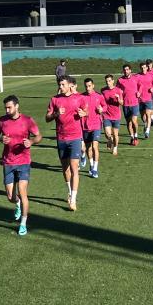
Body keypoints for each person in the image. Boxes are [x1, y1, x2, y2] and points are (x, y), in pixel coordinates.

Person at [0, 95, 41, 236]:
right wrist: (1, 138)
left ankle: (23, 224)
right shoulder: (2, 121)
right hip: (8, 162)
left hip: (24, 161)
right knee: (10, 197)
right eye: (5, 108)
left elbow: (39, 136)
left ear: (17, 106)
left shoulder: (27, 120)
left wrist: (31, 142)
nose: (7, 110)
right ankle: (17, 203)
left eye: (9, 107)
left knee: (22, 191)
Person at [46, 75, 87, 211]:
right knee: (65, 169)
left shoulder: (79, 98)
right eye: (59, 84)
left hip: (75, 137)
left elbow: (86, 111)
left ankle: (73, 200)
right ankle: (69, 191)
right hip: (61, 138)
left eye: (63, 84)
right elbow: (47, 118)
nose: (60, 87)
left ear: (70, 85)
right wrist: (56, 114)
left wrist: (84, 113)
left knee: (74, 167)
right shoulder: (54, 100)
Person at [79, 77, 104, 178]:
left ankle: (95, 169)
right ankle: (91, 164)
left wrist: (102, 109)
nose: (88, 88)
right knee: (88, 148)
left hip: (96, 125)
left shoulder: (99, 96)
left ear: (93, 85)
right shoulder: (81, 97)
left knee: (95, 147)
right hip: (85, 126)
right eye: (86, 86)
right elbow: (77, 109)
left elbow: (104, 106)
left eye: (89, 86)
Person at [116, 64, 142, 146]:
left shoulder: (135, 78)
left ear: (130, 70)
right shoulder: (120, 80)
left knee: (134, 121)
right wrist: (119, 97)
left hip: (135, 103)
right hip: (125, 104)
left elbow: (141, 85)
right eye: (124, 70)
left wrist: (139, 92)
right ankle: (131, 137)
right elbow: (117, 90)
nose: (126, 71)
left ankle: (136, 136)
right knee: (129, 123)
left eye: (127, 69)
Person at [100, 74, 124, 157]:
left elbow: (122, 103)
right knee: (107, 134)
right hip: (106, 115)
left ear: (113, 81)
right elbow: (101, 101)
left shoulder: (118, 90)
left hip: (116, 116)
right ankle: (110, 139)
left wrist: (118, 99)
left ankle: (115, 147)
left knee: (115, 134)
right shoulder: (103, 90)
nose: (108, 83)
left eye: (109, 81)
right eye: (106, 81)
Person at [138, 61, 153, 138]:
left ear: (147, 68)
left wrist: (152, 88)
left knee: (148, 114)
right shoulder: (137, 76)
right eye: (142, 68)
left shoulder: (151, 76)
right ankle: (145, 124)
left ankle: (147, 131)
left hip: (148, 98)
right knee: (143, 116)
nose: (143, 69)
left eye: (144, 67)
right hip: (140, 99)